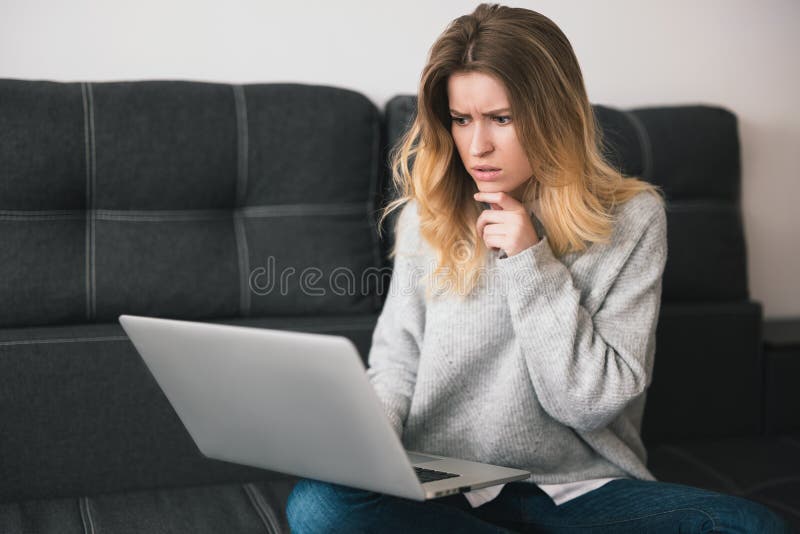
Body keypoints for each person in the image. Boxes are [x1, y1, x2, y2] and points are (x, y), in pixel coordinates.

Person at [286, 4, 793, 533]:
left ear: (553, 112)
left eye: (501, 119)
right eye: (461, 120)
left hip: (578, 489)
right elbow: (397, 364)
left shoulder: (633, 219)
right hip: (444, 490)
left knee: (751, 528)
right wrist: (366, 448)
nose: (477, 145)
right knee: (320, 506)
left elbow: (591, 403)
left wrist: (530, 262)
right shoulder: (427, 214)